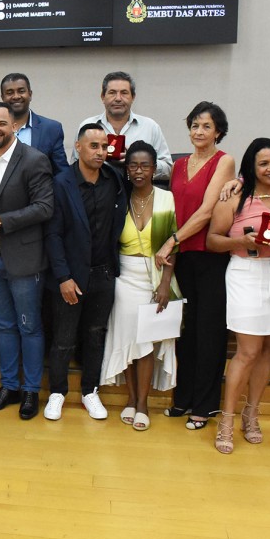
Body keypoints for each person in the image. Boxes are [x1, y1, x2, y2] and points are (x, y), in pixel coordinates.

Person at [206, 138, 270, 453]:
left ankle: (252, 413)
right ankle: (227, 420)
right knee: (247, 351)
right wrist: (242, 242)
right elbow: (213, 240)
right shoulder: (235, 196)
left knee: (268, 348)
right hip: (246, 275)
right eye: (263, 163)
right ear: (251, 167)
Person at [154, 102, 235, 431]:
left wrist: (171, 240)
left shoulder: (224, 161)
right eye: (194, 126)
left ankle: (205, 405)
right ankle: (183, 399)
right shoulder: (179, 164)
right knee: (185, 332)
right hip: (183, 256)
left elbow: (204, 212)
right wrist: (172, 245)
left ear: (218, 131)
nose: (199, 132)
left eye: (206, 126)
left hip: (209, 256)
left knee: (209, 332)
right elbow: (174, 209)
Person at [0, 102, 54, 420]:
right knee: (4, 327)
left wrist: (4, 220)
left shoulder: (34, 160)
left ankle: (31, 391)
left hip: (24, 259)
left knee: (29, 327)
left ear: (14, 127)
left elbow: (45, 207)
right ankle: (9, 387)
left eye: (1, 124)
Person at [44, 124, 127, 422]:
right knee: (64, 338)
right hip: (70, 277)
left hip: (104, 273)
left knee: (95, 335)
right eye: (93, 146)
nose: (100, 152)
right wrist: (64, 277)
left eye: (104, 146)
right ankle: (57, 393)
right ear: (78, 147)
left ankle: (90, 391)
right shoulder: (61, 182)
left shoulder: (114, 179)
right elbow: (52, 235)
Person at [99, 142, 179, 431]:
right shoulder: (120, 199)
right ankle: (130, 399)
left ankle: (143, 403)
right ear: (126, 168)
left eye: (145, 165)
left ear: (155, 168)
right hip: (125, 277)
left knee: (146, 342)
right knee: (129, 339)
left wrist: (166, 283)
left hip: (157, 276)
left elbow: (175, 242)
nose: (139, 171)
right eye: (133, 165)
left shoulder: (168, 199)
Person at [73, 71, 172, 182]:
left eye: (124, 93)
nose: (118, 98)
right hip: (96, 194)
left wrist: (138, 162)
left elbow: (168, 169)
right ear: (102, 97)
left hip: (137, 194)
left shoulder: (150, 127)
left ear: (133, 97)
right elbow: (74, 166)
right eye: (112, 92)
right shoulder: (87, 126)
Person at [0, 73, 69, 176]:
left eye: (21, 91)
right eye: (10, 92)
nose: (16, 96)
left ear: (30, 94)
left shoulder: (51, 129)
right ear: (2, 97)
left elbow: (62, 172)